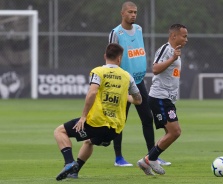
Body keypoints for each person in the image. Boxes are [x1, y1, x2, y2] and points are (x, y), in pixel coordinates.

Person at [54, 43, 142, 181]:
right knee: (89, 141)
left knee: (60, 131)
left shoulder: (98, 72)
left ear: (105, 56)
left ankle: (69, 162)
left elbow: (92, 92)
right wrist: (125, 96)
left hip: (96, 123)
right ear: (120, 59)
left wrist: (83, 116)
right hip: (114, 130)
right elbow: (138, 100)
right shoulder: (127, 76)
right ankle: (74, 171)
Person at [108, 1, 171, 167]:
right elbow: (111, 58)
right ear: (122, 13)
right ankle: (118, 158)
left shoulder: (139, 29)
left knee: (147, 118)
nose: (133, 15)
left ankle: (152, 156)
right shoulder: (116, 33)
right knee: (120, 121)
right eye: (130, 12)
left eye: (135, 12)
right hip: (122, 84)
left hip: (138, 81)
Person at [137, 23, 188, 175]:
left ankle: (145, 161)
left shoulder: (175, 52)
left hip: (167, 99)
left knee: (171, 133)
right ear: (174, 36)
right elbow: (155, 69)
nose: (187, 39)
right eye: (184, 36)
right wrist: (172, 58)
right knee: (175, 132)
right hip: (159, 97)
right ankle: (151, 159)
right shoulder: (167, 50)